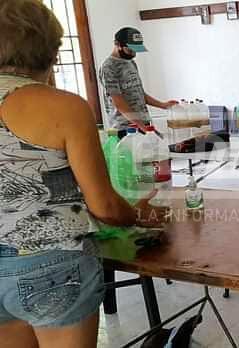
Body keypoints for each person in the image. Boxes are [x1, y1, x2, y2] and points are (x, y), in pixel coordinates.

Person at [0, 1, 167, 347]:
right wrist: (139, 215)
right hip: (50, 263)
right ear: (48, 50)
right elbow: (104, 206)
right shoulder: (62, 106)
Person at [99, 27, 177, 136]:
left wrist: (163, 105)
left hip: (143, 124)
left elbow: (140, 93)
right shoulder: (109, 67)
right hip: (125, 128)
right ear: (118, 45)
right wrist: (140, 125)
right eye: (130, 49)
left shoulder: (131, 63)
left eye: (136, 50)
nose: (134, 53)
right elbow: (118, 101)